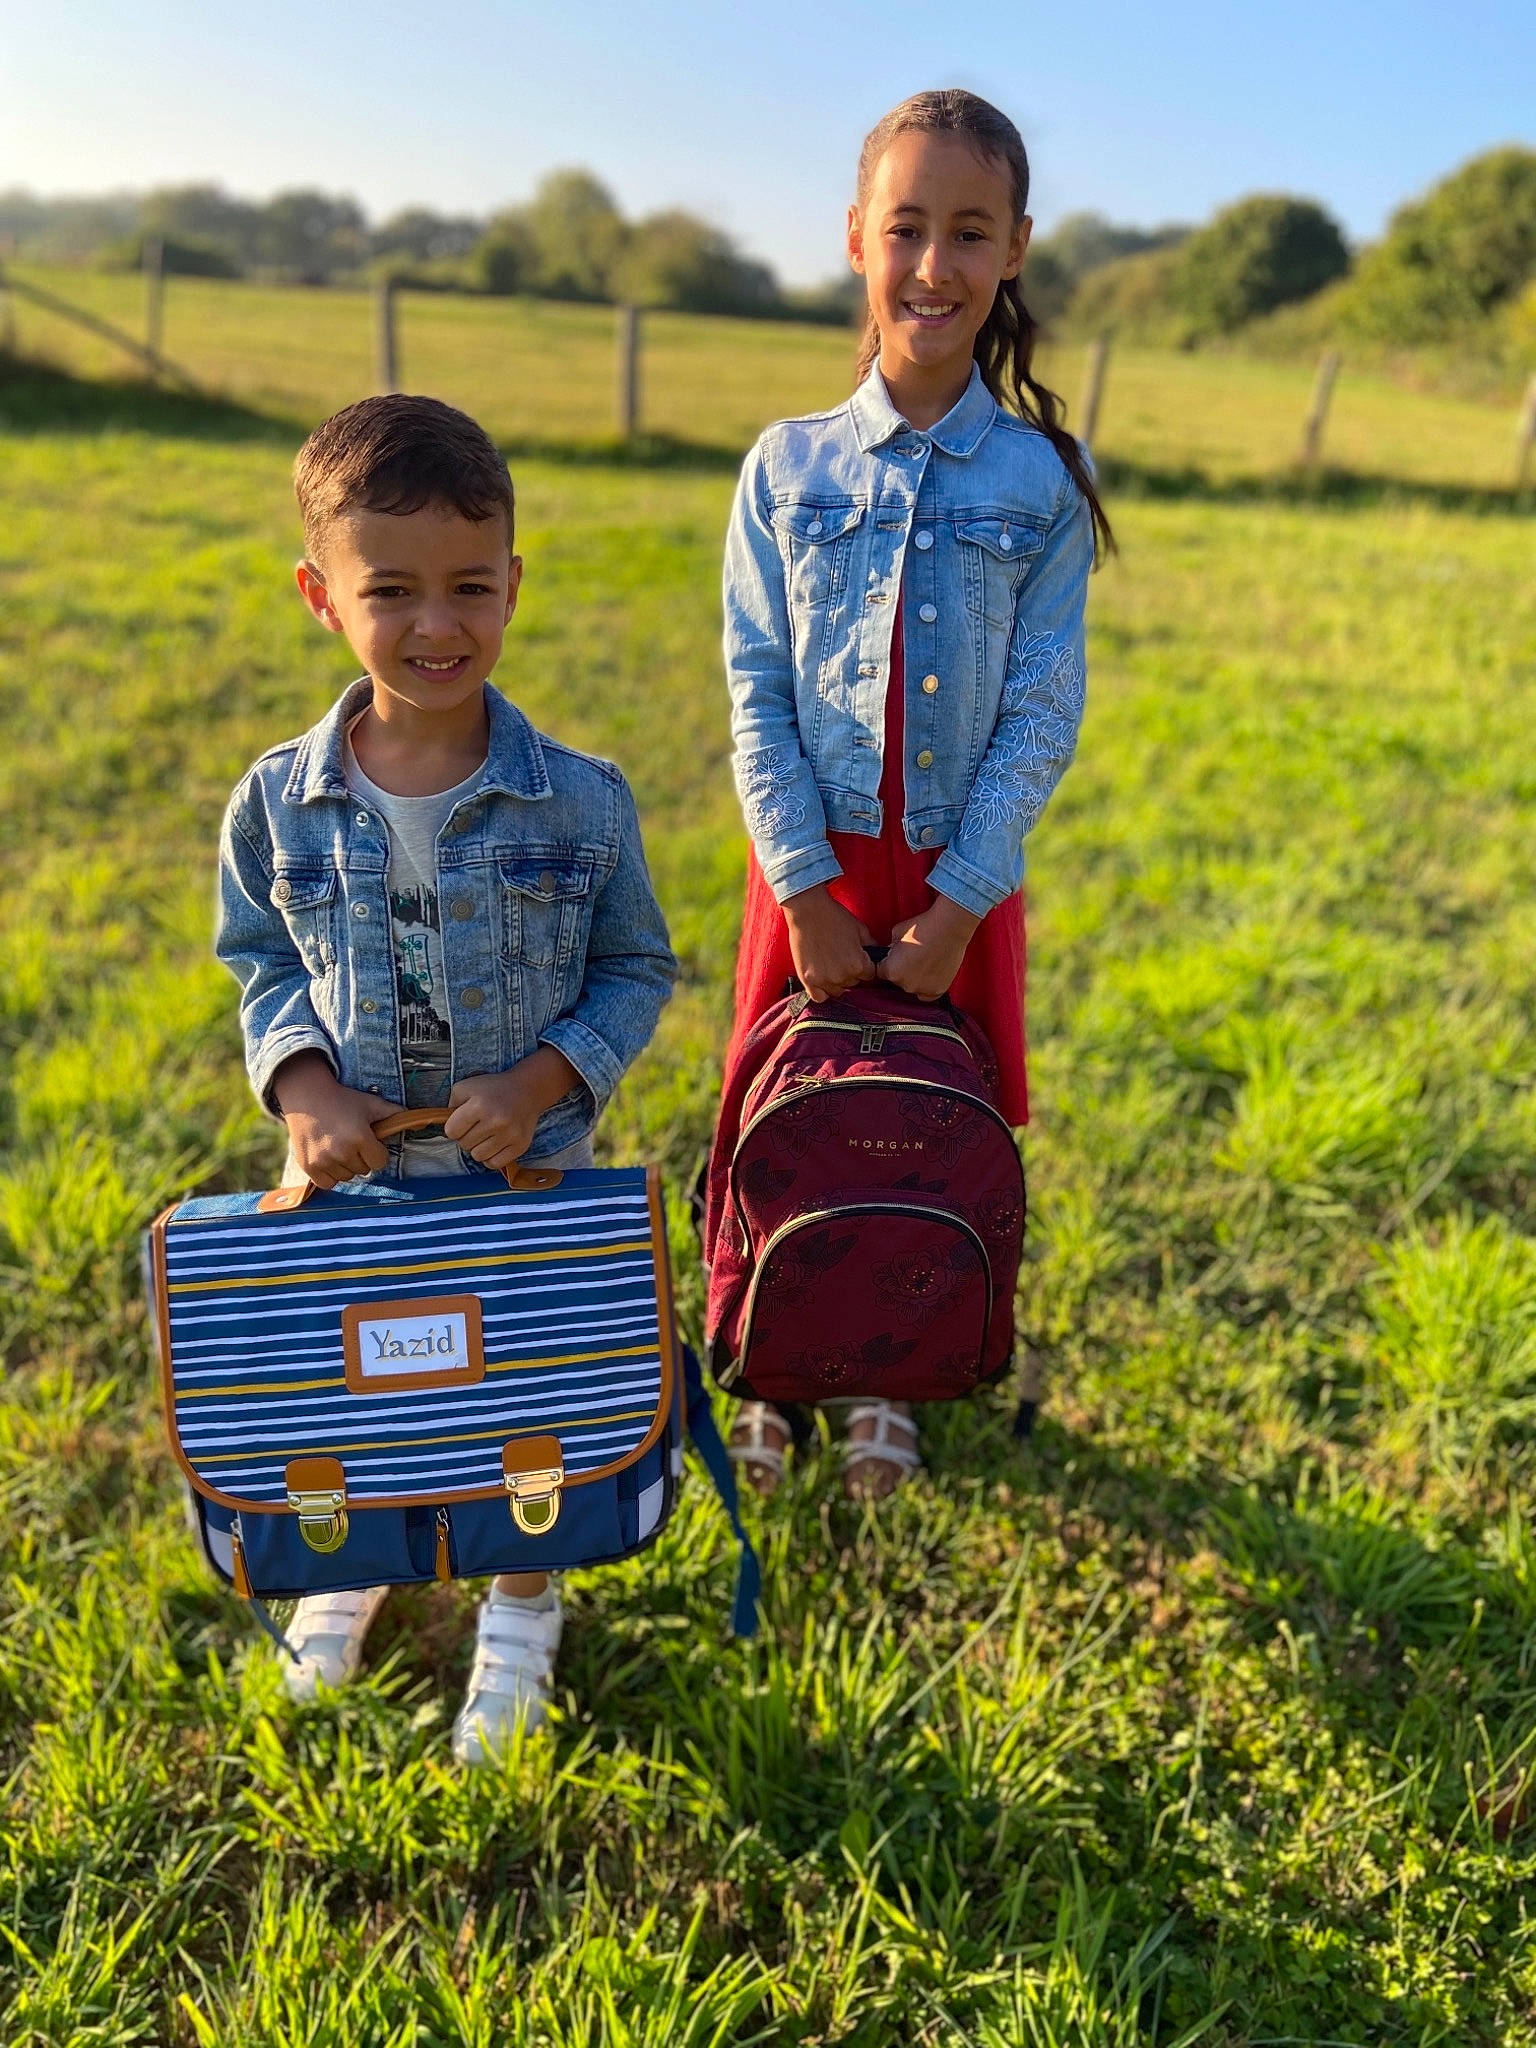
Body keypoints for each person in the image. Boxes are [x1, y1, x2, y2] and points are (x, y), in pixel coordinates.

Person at [216, 394, 676, 1758]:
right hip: (352, 1188)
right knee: (364, 1396)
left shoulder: (581, 801)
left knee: (520, 1406)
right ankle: (350, 1566)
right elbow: (259, 962)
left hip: (520, 1182)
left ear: (514, 584)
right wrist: (302, 1090)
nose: (439, 623)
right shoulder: (278, 801)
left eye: (472, 586)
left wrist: (542, 1079)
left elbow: (638, 968)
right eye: (393, 589)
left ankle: (520, 1622)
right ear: (321, 596)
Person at [718, 88, 1112, 1500]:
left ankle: (889, 1356)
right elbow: (754, 690)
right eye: (906, 228)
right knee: (793, 1104)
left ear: (1014, 250)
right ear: (855, 241)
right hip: (810, 875)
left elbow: (1042, 712)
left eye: (968, 232)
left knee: (920, 1120)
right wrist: (805, 891)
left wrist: (957, 904)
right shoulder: (785, 468)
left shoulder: (1041, 482)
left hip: (957, 885)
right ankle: (769, 1356)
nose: (933, 266)